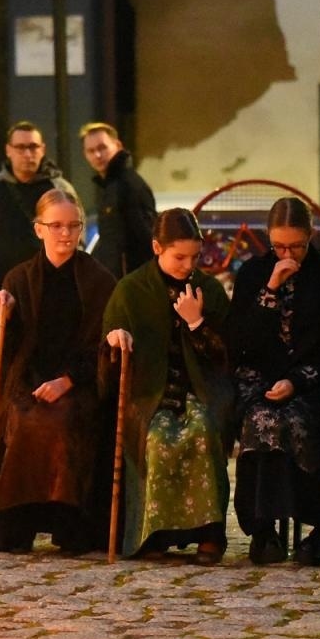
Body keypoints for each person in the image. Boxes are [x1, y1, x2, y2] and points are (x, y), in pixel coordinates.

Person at [0, 190, 116, 554]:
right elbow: (5, 350)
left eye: (73, 225)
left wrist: (67, 380)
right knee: (26, 419)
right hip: (28, 380)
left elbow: (101, 348)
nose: (65, 234)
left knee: (61, 419)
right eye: (56, 225)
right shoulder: (19, 278)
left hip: (80, 383)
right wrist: (4, 316)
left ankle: (70, 527)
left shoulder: (99, 281)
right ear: (39, 229)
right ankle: (15, 530)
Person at [102, 208, 233, 564]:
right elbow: (109, 347)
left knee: (203, 430)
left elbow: (226, 355)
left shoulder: (207, 289)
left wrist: (196, 323)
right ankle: (153, 533)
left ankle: (208, 534)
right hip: (148, 394)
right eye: (179, 257)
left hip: (199, 390)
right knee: (158, 439)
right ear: (157, 247)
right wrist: (116, 341)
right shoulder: (131, 290)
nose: (187, 264)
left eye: (194, 257)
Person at [224, 197, 320, 566]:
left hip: (316, 380)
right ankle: (263, 530)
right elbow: (242, 342)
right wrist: (271, 290)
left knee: (295, 421)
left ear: (310, 236)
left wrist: (296, 382)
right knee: (262, 420)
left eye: (296, 245)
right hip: (260, 378)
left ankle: (315, 524)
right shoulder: (252, 273)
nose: (288, 252)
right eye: (279, 245)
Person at [0, 121, 79, 291]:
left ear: (43, 149)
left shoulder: (60, 189)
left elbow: (77, 237)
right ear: (8, 150)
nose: (27, 154)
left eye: (33, 147)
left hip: (49, 288)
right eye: (20, 147)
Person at [80, 122, 157, 280]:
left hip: (131, 284)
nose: (97, 155)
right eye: (91, 151)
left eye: (102, 148)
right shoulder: (110, 187)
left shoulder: (129, 185)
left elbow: (146, 240)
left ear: (118, 145)